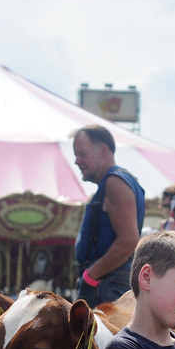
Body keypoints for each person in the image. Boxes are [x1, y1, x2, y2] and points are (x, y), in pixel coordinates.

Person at [72, 124, 146, 307]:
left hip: (108, 284)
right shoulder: (118, 180)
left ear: (104, 151)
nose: (76, 161)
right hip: (108, 282)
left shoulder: (114, 182)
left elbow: (128, 241)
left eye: (82, 154)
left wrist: (90, 276)